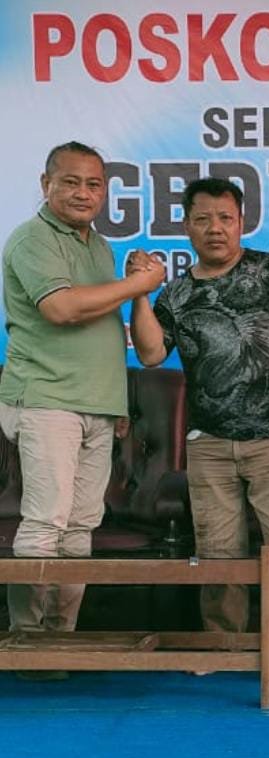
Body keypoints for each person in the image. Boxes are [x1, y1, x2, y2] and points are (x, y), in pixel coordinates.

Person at [129, 177, 269, 680]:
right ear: (187, 226)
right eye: (203, 219)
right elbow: (151, 354)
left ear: (241, 222)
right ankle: (224, 646)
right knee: (218, 556)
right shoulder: (177, 292)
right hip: (210, 445)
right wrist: (140, 294)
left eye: (225, 218)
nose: (214, 228)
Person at [0, 142, 165, 666]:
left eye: (94, 184)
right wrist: (136, 283)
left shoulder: (100, 247)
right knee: (45, 522)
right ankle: (28, 643)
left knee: (80, 527)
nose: (83, 193)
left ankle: (60, 642)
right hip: (46, 398)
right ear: (45, 184)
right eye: (70, 181)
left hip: (96, 405)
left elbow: (103, 327)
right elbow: (62, 309)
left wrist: (116, 404)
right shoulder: (31, 240)